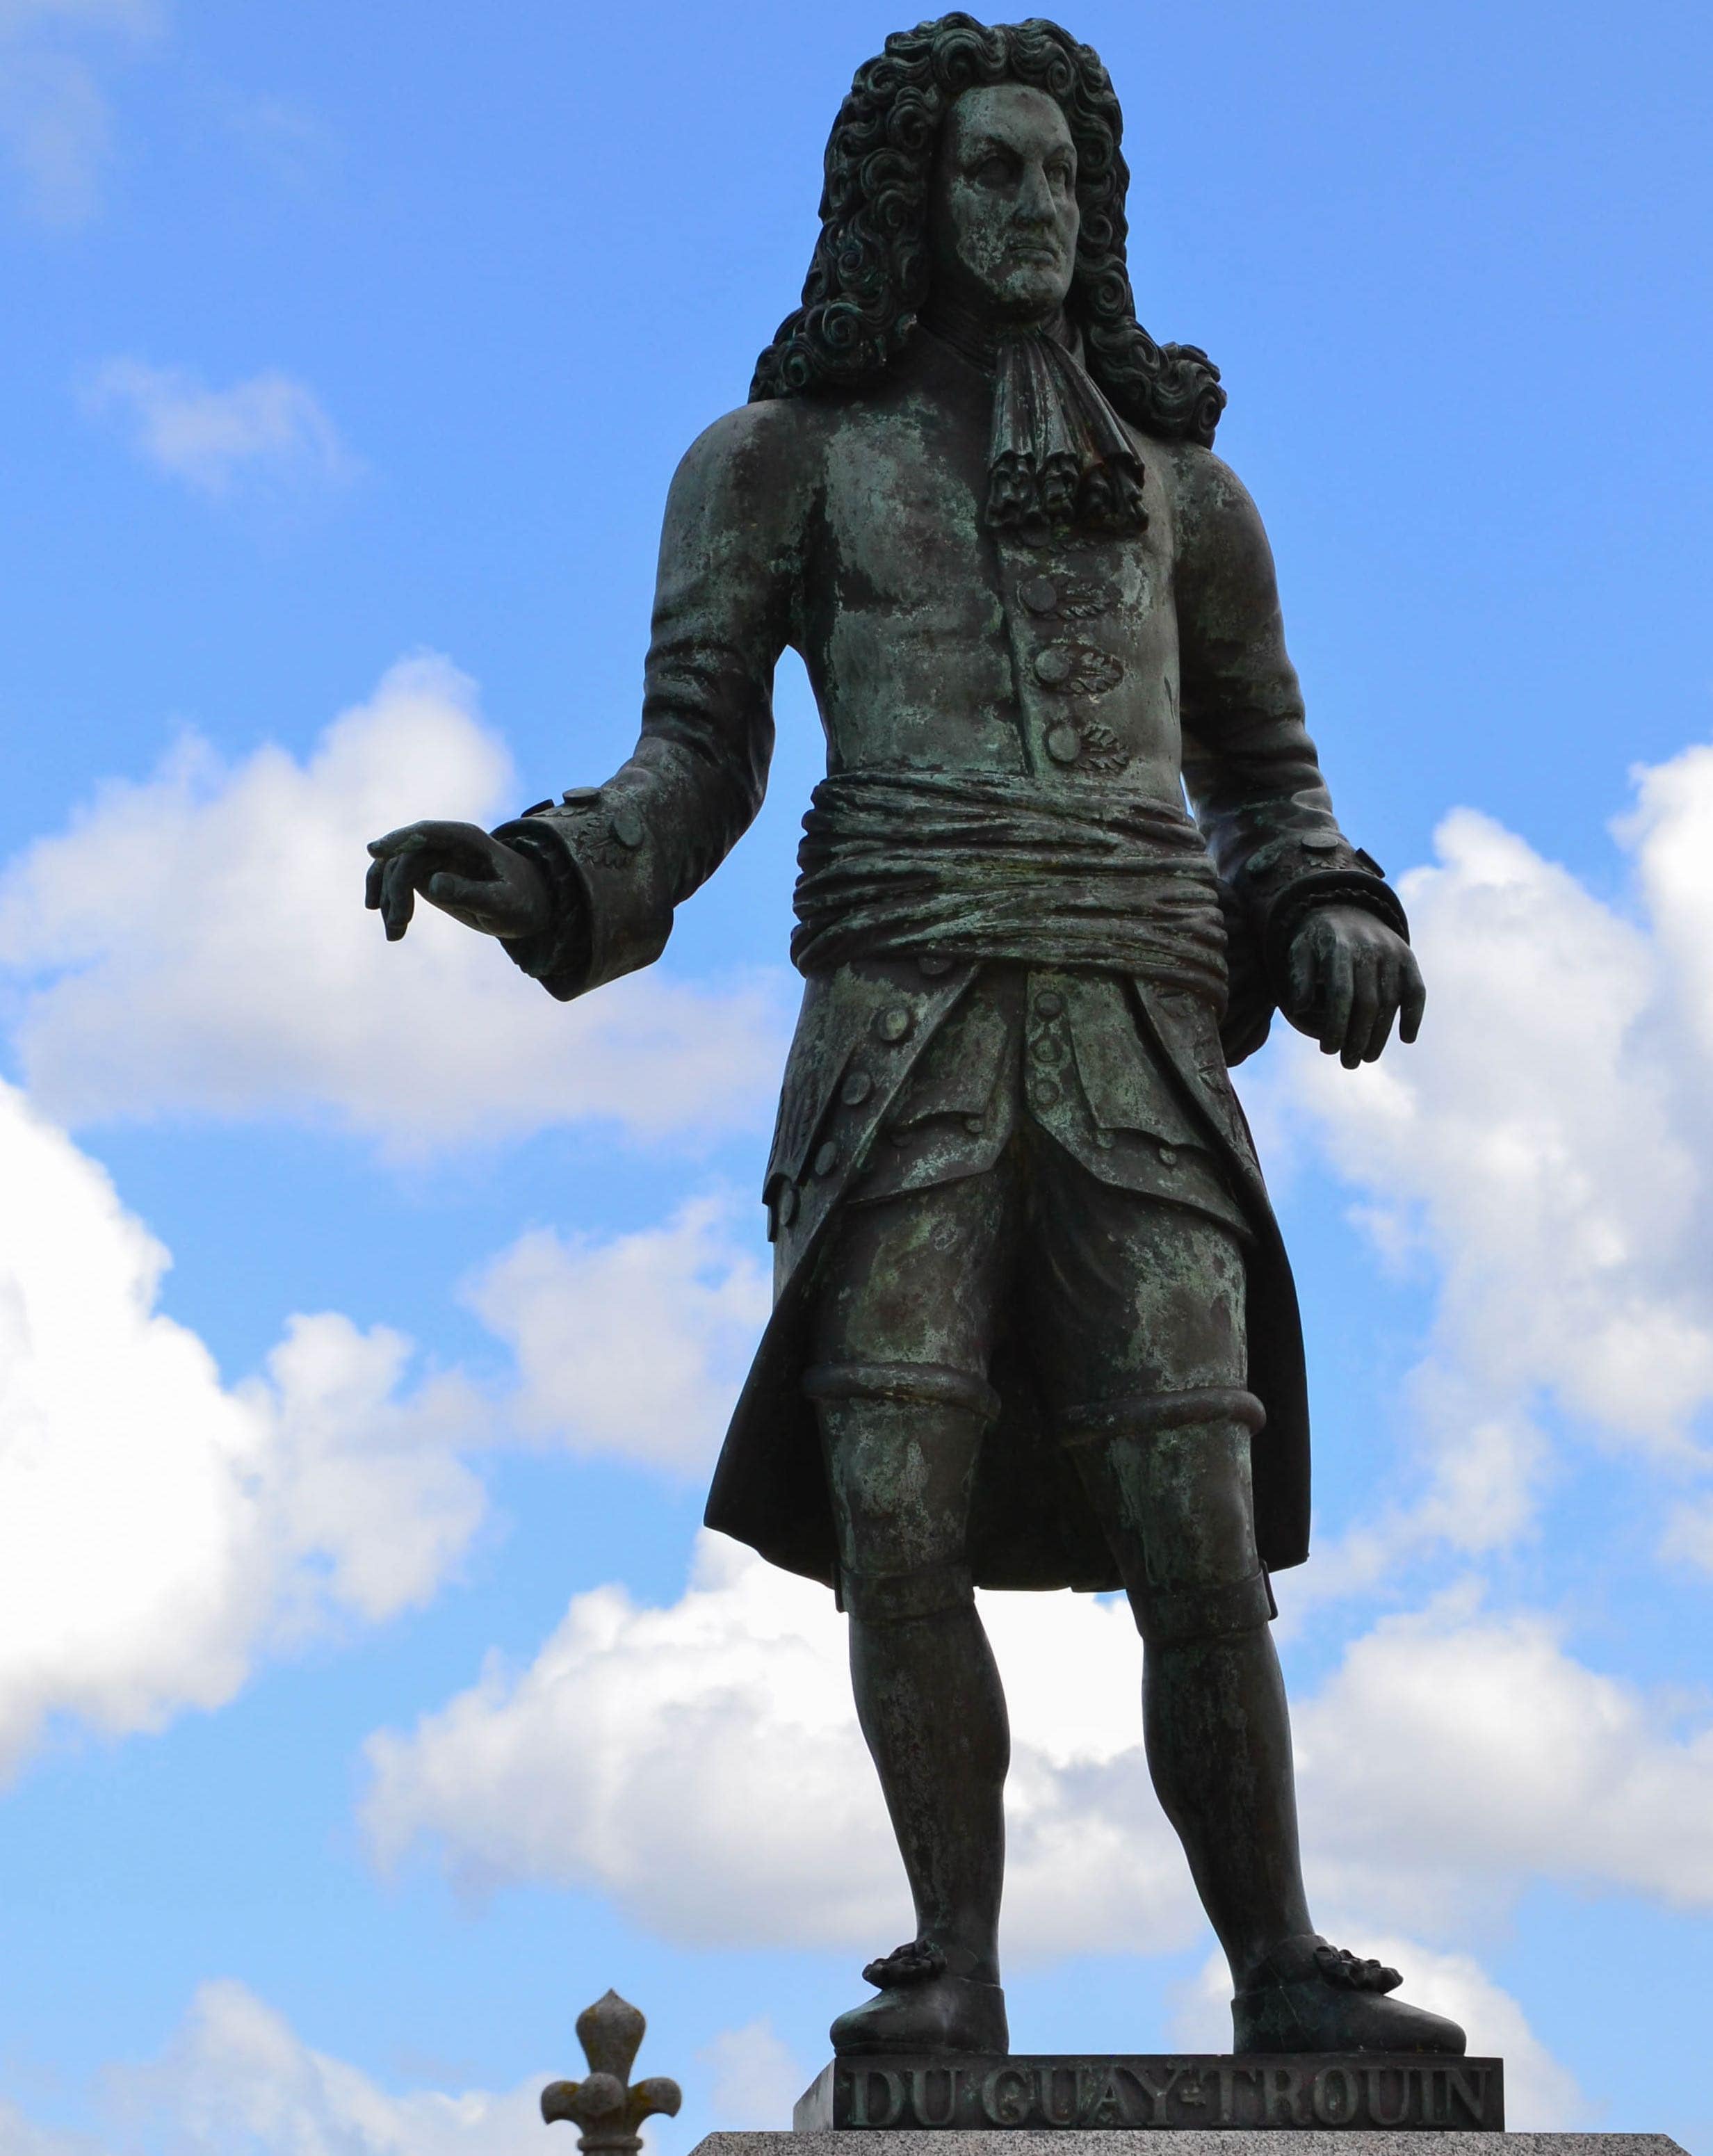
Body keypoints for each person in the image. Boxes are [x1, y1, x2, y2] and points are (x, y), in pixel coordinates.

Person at [368, 13, 1462, 2064]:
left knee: (1194, 1529)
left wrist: (1330, 903)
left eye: (1060, 177)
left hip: (1137, 1043)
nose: (1033, 209)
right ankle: (950, 1957)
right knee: (900, 1513)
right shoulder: (780, 463)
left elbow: (1270, 778)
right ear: (908, 202)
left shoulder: (1189, 496)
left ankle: (1281, 1959)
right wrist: (545, 870)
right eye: (991, 175)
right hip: (902, 1036)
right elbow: (692, 759)